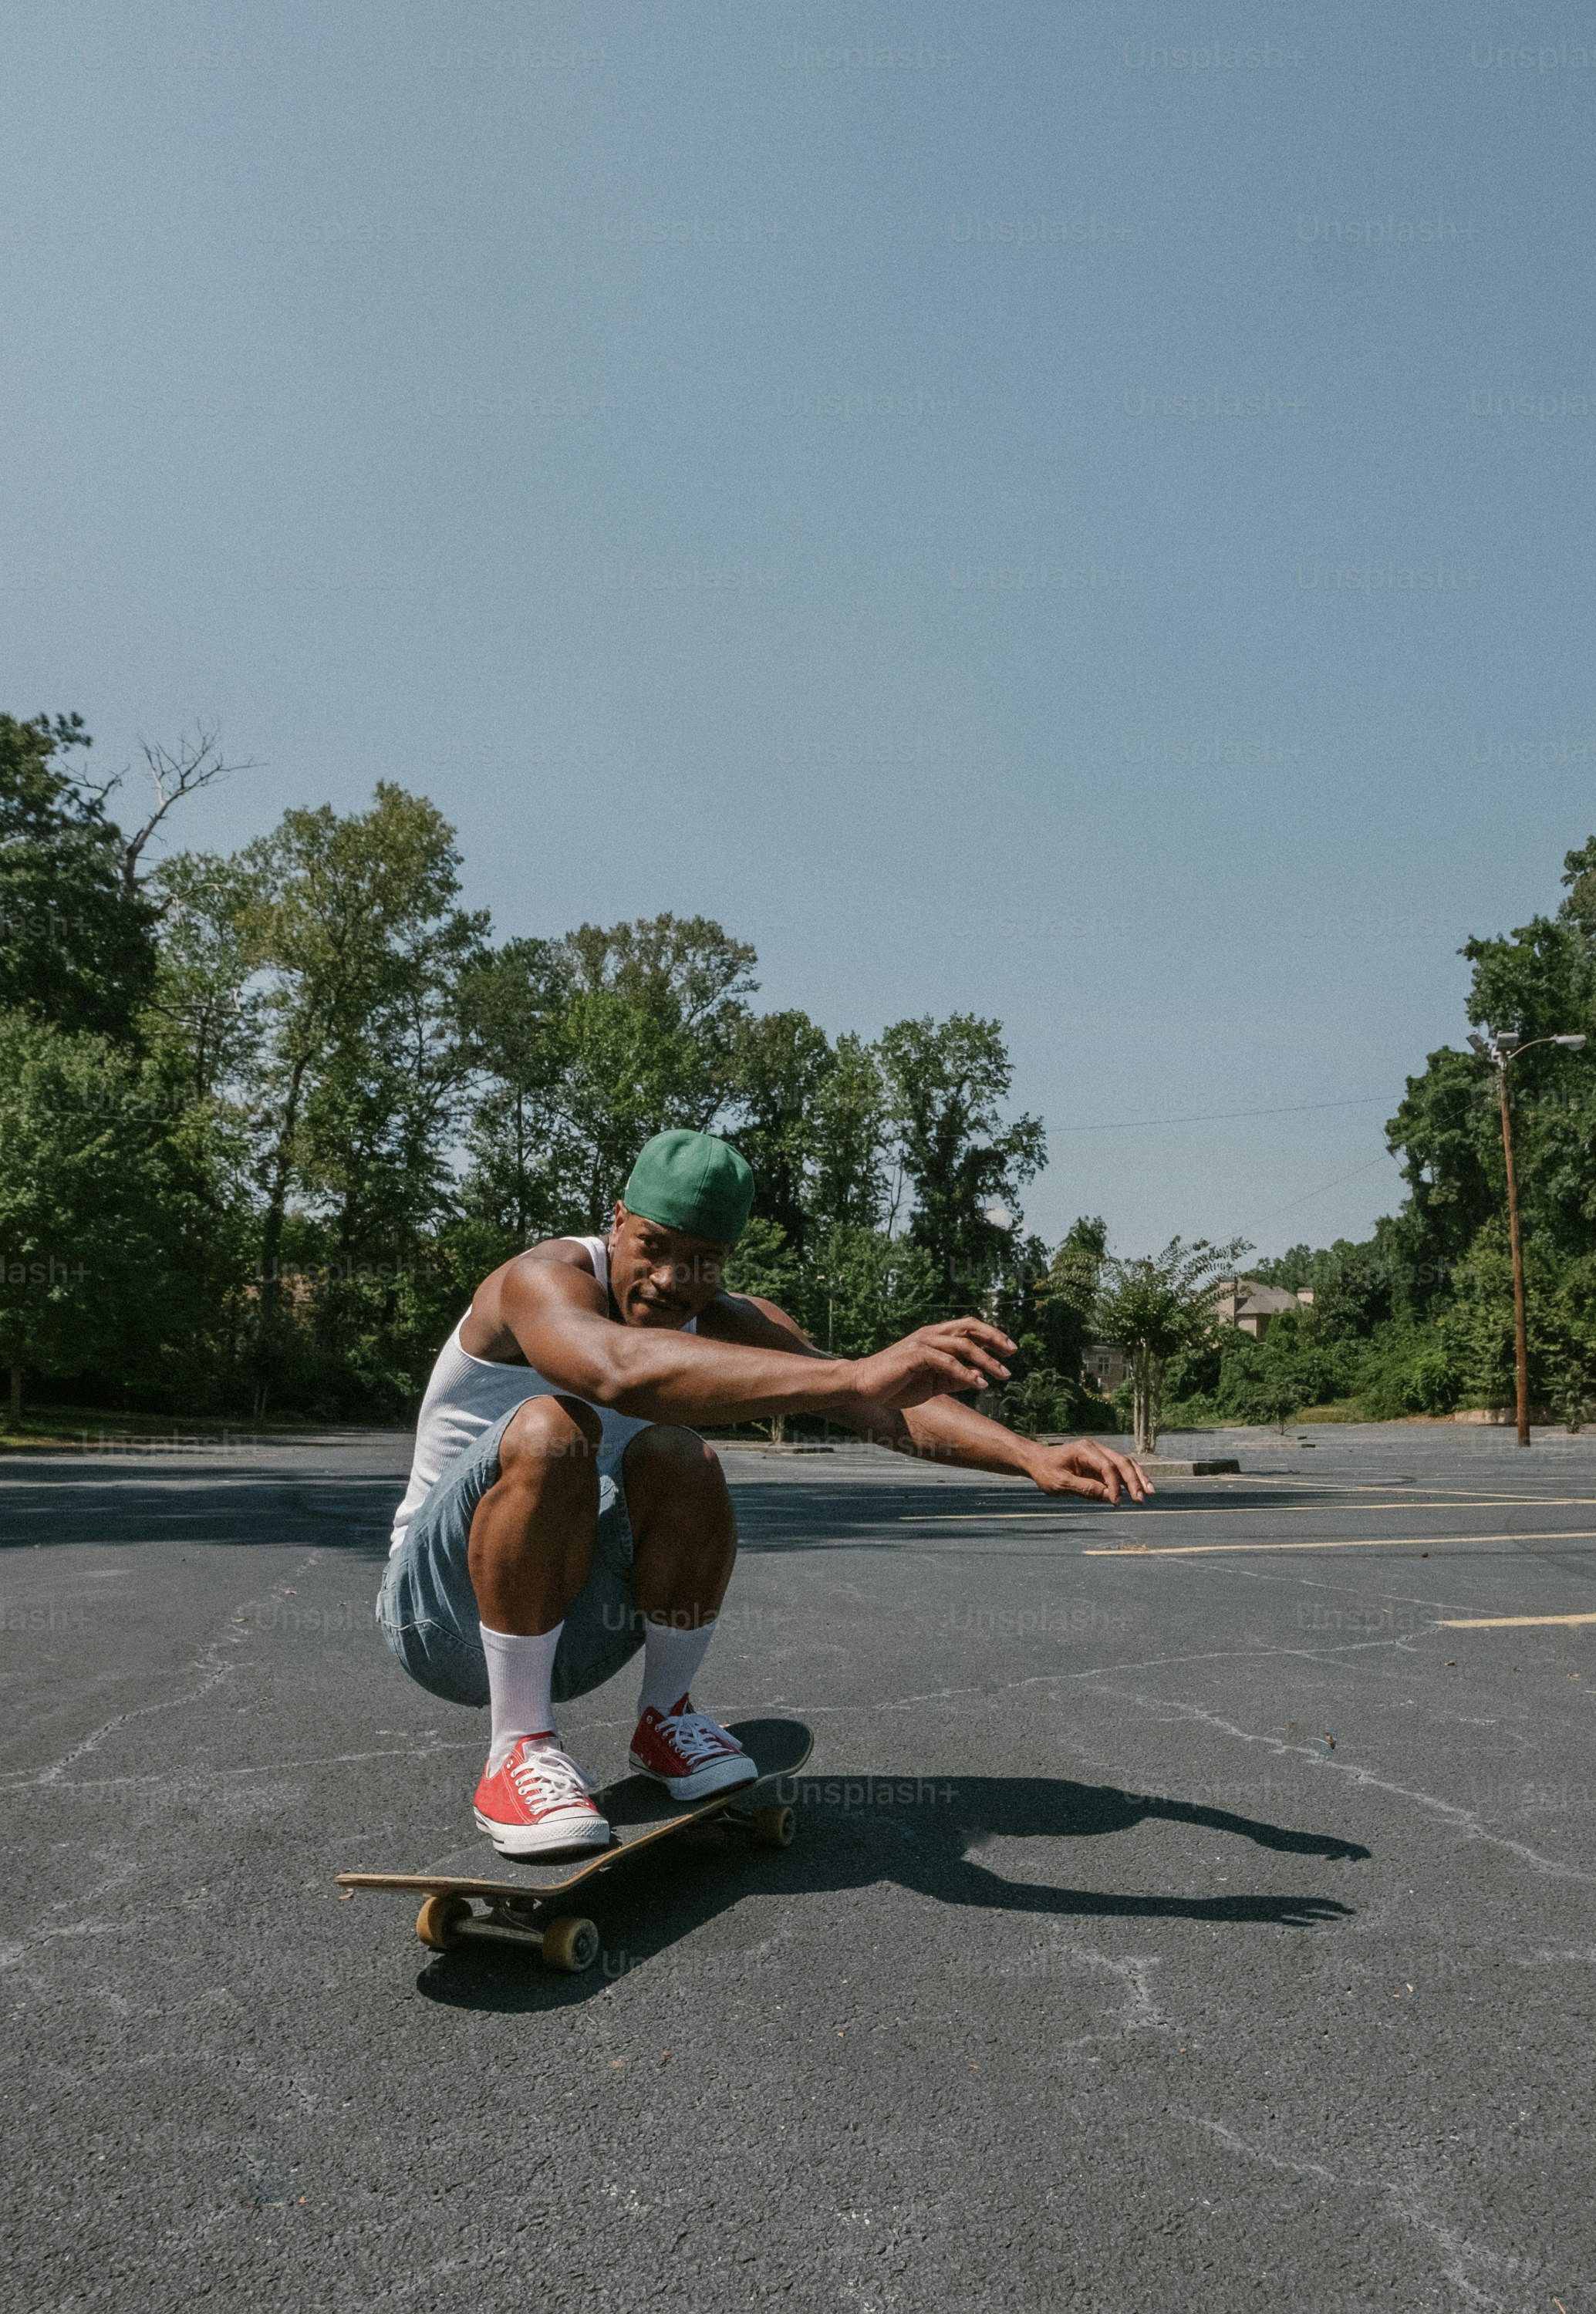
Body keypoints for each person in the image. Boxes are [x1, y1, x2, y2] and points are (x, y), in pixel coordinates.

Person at [379, 1128, 1151, 1857]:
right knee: (556, 1425)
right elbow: (614, 1368)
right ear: (616, 1221)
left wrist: (1031, 1456)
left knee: (681, 1454)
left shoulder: (724, 1318)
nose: (672, 1279)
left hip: (574, 1631)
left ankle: (664, 1719)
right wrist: (851, 1373)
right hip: (439, 1620)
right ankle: (517, 1750)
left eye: (702, 1259)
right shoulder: (539, 1280)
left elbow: (873, 1401)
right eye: (653, 1247)